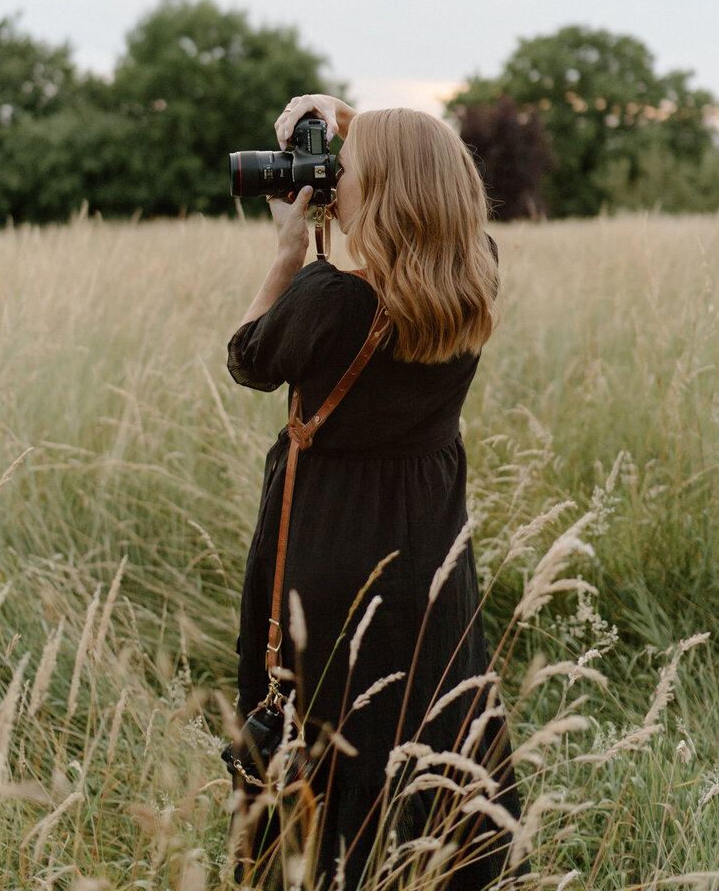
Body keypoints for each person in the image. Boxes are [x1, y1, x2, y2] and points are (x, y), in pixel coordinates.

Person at [228, 94, 528, 888]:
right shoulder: (476, 275)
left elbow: (248, 358)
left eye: (346, 171)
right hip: (429, 552)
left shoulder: (328, 301)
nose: (332, 181)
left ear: (384, 193)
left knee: (321, 725)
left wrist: (290, 248)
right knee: (431, 704)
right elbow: (428, 178)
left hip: (329, 547)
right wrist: (359, 122)